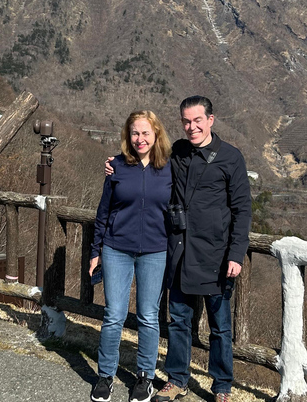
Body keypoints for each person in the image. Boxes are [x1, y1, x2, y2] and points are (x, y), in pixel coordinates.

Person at [106, 97, 252, 402]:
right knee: (179, 321)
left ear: (211, 119)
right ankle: (177, 379)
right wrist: (116, 164)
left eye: (198, 120)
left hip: (217, 254)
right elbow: (146, 161)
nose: (192, 127)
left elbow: (242, 210)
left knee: (220, 327)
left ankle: (222, 385)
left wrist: (236, 254)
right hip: (181, 252)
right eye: (186, 121)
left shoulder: (231, 158)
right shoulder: (178, 154)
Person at [90, 110, 173, 402]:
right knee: (114, 315)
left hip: (155, 250)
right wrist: (95, 250)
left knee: (149, 317)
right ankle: (105, 376)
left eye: (145, 133)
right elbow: (103, 210)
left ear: (156, 135)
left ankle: (144, 377)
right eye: (134, 133)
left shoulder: (170, 168)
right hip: (116, 248)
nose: (140, 139)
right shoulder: (117, 166)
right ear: (128, 136)